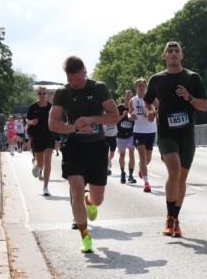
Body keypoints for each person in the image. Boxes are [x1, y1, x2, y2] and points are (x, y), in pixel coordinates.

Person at [48, 56, 119, 253]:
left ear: (84, 72)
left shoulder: (99, 88)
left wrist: (91, 120)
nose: (75, 84)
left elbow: (114, 116)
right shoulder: (63, 93)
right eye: (71, 81)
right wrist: (73, 128)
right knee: (76, 189)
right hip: (74, 146)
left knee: (97, 199)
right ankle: (85, 236)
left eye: (78, 80)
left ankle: (90, 202)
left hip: (96, 147)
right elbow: (52, 123)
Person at [143, 42, 207, 237]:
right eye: (169, 51)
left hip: (186, 135)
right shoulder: (156, 79)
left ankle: (176, 218)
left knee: (181, 178)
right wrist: (149, 111)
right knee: (173, 170)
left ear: (182, 55)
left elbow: (205, 106)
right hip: (166, 133)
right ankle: (169, 218)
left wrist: (189, 97)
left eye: (176, 51)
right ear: (164, 56)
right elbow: (147, 100)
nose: (173, 54)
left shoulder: (192, 78)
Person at [129, 78, 156, 190]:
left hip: (150, 131)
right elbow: (130, 114)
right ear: (136, 88)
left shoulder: (152, 99)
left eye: (143, 85)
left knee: (147, 159)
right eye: (139, 86)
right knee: (142, 156)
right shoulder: (133, 100)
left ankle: (141, 168)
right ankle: (146, 183)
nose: (141, 87)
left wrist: (151, 114)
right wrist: (131, 117)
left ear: (146, 87)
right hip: (138, 131)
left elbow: (158, 109)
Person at [28, 87, 55, 196]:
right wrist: (32, 122)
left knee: (48, 160)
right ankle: (37, 166)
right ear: (37, 94)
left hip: (49, 136)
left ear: (47, 95)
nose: (42, 95)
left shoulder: (51, 107)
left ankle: (46, 187)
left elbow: (56, 120)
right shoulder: (32, 107)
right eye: (40, 93)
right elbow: (27, 120)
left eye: (44, 93)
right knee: (40, 163)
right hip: (37, 136)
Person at [115, 104, 136, 183]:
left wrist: (134, 117)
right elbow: (115, 120)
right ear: (124, 97)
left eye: (130, 95)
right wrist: (123, 115)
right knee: (122, 155)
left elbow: (137, 119)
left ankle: (130, 175)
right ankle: (122, 172)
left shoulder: (134, 107)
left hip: (131, 134)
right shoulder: (119, 108)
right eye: (127, 95)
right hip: (120, 135)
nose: (129, 97)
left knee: (131, 152)